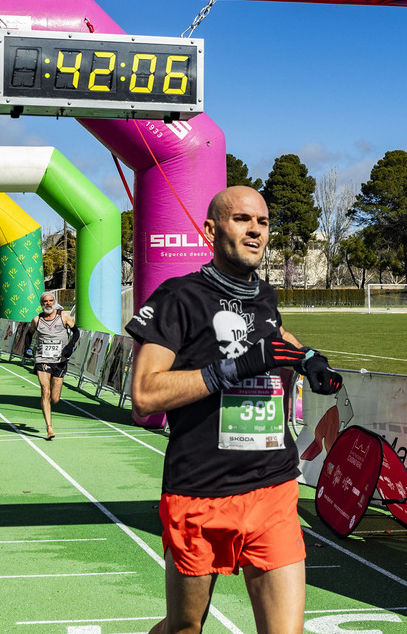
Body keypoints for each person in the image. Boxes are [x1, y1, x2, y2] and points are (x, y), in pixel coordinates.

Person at [126, 186, 343, 634]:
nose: (256, 231)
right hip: (200, 491)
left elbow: (274, 332)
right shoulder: (178, 297)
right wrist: (235, 367)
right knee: (185, 627)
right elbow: (145, 396)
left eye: (262, 222)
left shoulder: (264, 295)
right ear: (210, 229)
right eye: (242, 219)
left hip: (273, 488)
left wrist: (307, 358)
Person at [28, 291, 79, 440]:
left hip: (60, 359)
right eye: (45, 301)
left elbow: (76, 332)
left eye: (50, 301)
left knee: (55, 398)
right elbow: (28, 334)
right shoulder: (36, 320)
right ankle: (49, 427)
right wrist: (26, 348)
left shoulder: (64, 316)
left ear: (54, 302)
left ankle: (50, 402)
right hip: (42, 359)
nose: (48, 303)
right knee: (45, 390)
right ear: (41, 303)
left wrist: (70, 346)